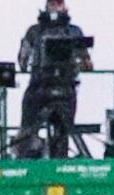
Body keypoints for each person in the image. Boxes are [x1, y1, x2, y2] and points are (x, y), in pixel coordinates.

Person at [14, 0, 93, 159]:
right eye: (52, 3)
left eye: (58, 3)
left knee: (61, 130)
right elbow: (22, 60)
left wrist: (83, 61)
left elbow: (87, 62)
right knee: (30, 127)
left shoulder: (73, 32)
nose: (55, 7)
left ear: (63, 5)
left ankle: (54, 156)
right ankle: (29, 151)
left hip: (62, 88)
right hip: (40, 87)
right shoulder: (35, 32)